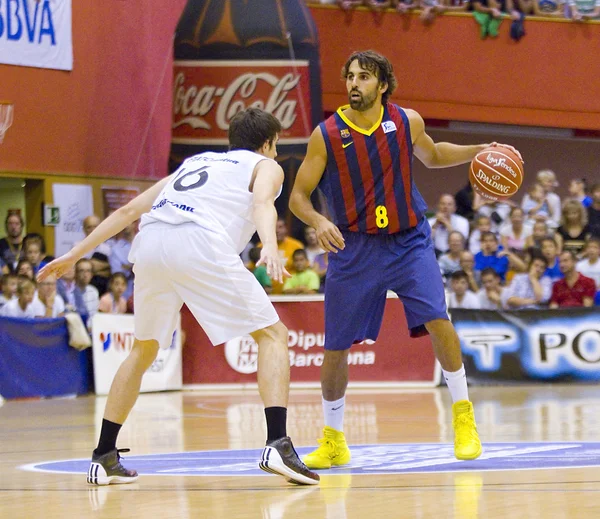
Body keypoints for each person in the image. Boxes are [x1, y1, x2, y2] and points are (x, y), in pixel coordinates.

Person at [37, 108, 319, 487]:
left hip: (151, 243)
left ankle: (104, 455)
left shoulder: (194, 163)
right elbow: (263, 204)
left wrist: (75, 254)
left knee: (143, 350)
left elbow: (129, 210)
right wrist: (269, 243)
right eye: (275, 145)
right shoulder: (266, 166)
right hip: (198, 242)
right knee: (273, 336)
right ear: (269, 143)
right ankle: (277, 444)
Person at [288, 50, 521, 468]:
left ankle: (464, 418)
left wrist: (478, 150)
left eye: (363, 77)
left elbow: (432, 156)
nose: (354, 84)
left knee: (438, 318)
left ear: (383, 85)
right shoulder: (325, 134)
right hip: (354, 247)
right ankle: (333, 439)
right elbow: (298, 196)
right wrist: (318, 220)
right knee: (336, 348)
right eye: (350, 77)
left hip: (408, 241)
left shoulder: (407, 121)